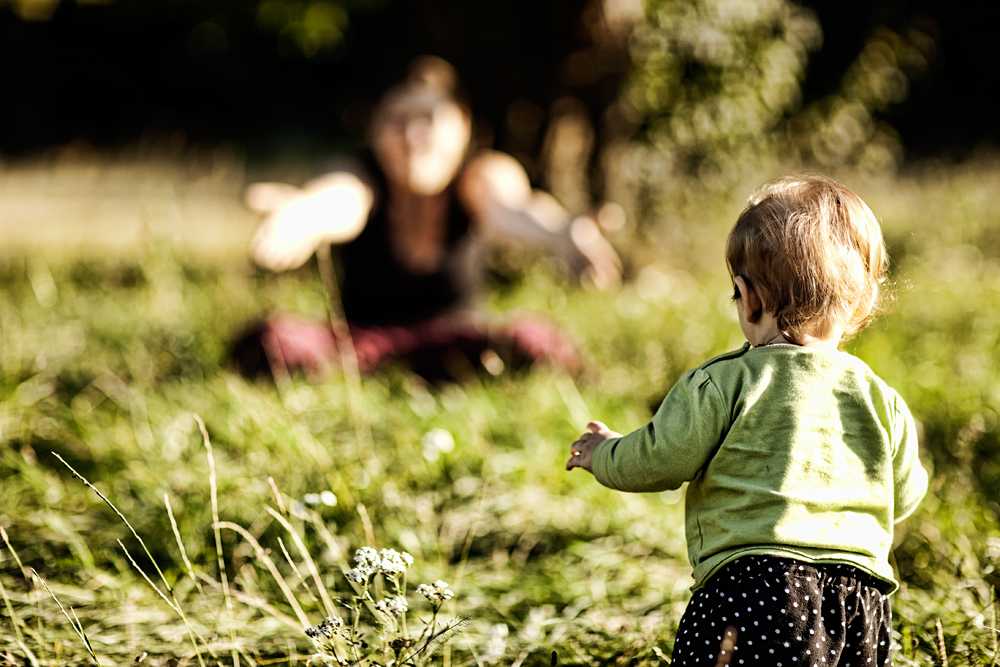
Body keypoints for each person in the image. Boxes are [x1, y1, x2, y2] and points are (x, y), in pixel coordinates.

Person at [565, 174, 928, 666]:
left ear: (748, 295)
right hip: (860, 602)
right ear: (860, 303)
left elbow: (658, 459)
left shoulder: (725, 382)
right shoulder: (882, 399)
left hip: (752, 591)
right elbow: (903, 495)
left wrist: (602, 452)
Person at [233, 56, 621, 382]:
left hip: (457, 346)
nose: (413, 136)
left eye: (430, 119)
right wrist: (307, 213)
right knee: (272, 339)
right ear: (375, 130)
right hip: (360, 346)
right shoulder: (362, 174)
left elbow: (511, 208)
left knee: (533, 339)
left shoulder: (479, 175)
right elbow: (342, 199)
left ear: (464, 125)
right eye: (397, 120)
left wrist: (559, 231)